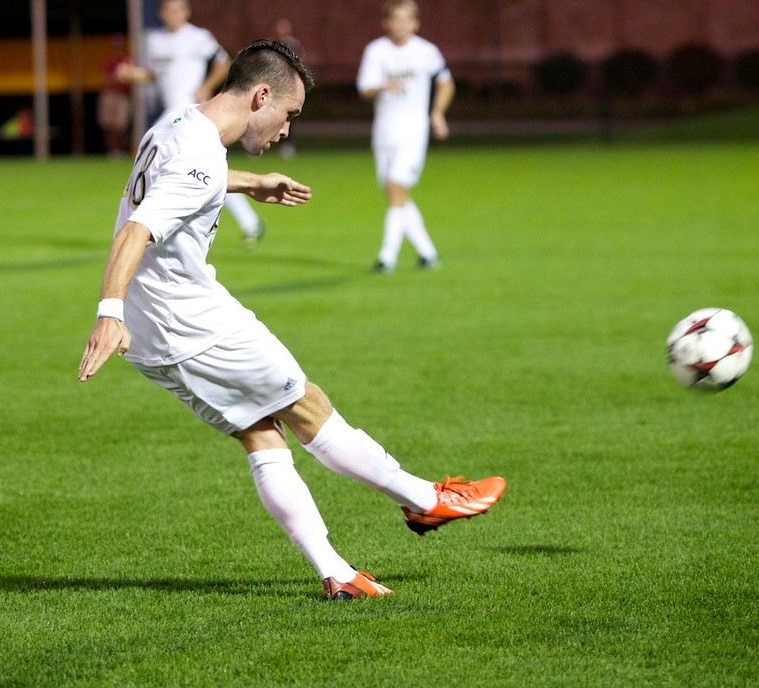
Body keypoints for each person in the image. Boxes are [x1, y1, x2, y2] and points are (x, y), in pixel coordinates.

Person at [78, 40, 505, 600]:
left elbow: (181, 182)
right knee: (307, 405)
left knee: (258, 431)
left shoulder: (178, 122)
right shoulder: (200, 156)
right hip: (189, 320)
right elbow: (136, 229)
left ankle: (338, 574)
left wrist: (252, 182)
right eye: (288, 114)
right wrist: (107, 312)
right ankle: (425, 499)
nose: (285, 129)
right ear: (260, 95)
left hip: (152, 334)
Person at [119, 0, 265, 247]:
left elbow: (224, 62)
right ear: (161, 13)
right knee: (203, 170)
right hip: (171, 112)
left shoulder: (198, 37)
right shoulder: (154, 41)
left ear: (186, 12)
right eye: (168, 10)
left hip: (189, 111)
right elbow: (155, 75)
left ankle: (151, 225)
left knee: (153, 156)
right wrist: (133, 75)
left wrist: (207, 85)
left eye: (178, 9)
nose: (172, 14)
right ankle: (248, 222)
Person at [357, 0, 455, 273]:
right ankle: (427, 253)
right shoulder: (376, 51)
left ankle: (386, 257)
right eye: (395, 19)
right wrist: (382, 87)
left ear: (416, 23)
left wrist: (437, 113)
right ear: (385, 23)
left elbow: (446, 83)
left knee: (397, 187)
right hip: (384, 132)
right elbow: (365, 89)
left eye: (406, 19)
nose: (401, 25)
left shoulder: (426, 52)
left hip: (413, 133)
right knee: (395, 193)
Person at [97, 34, 133, 157]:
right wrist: (117, 77)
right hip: (110, 95)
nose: (117, 49)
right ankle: (112, 152)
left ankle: (121, 151)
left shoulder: (128, 62)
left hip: (123, 96)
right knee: (108, 125)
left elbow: (131, 80)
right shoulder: (110, 62)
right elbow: (108, 80)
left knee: (121, 126)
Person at [271, 18, 302, 159]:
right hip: (273, 85)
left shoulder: (293, 45)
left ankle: (287, 145)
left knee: (289, 116)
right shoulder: (271, 45)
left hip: (288, 85)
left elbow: (297, 64)